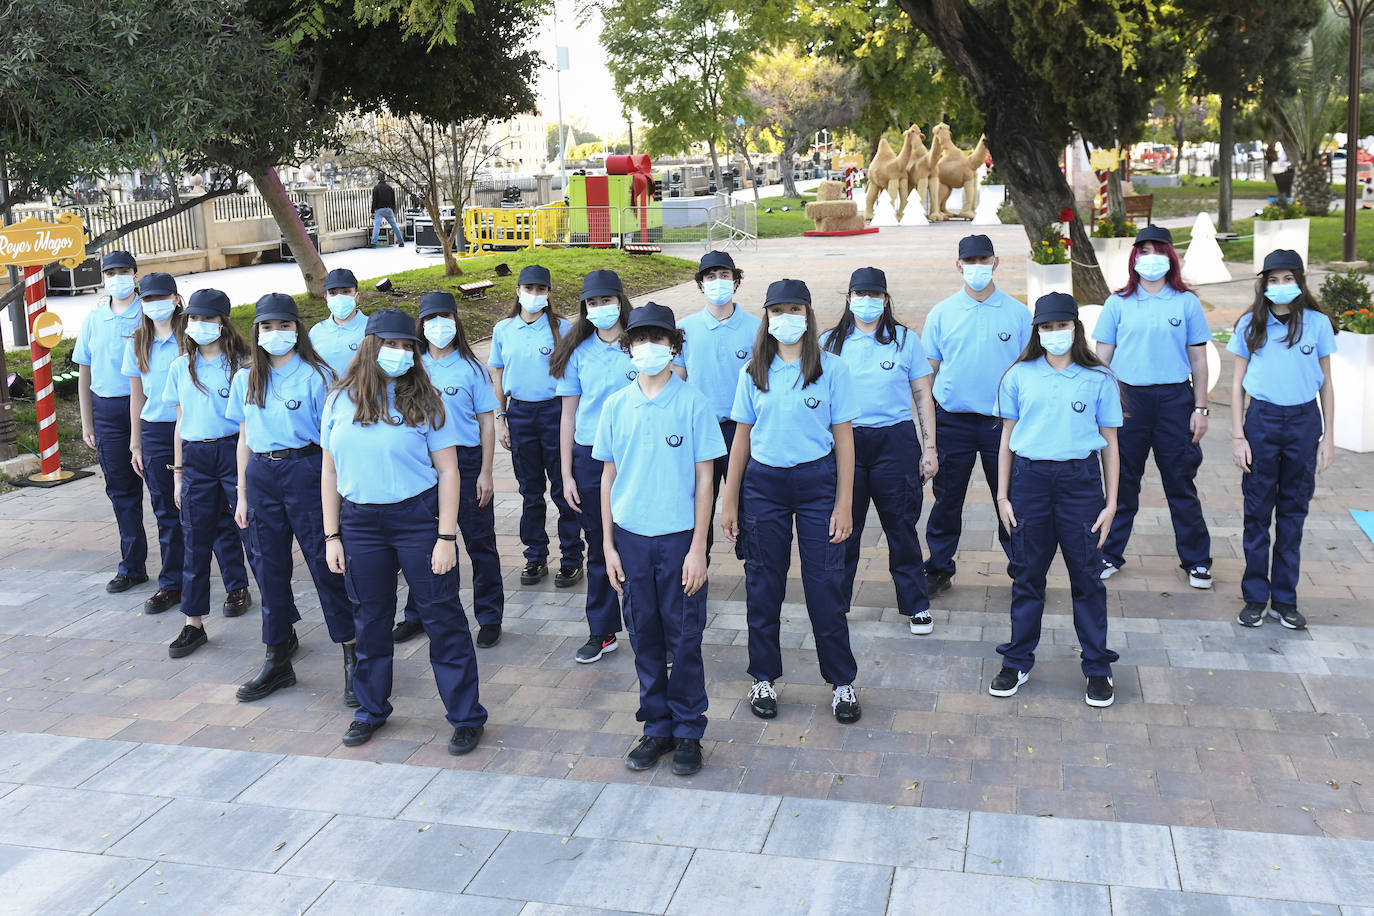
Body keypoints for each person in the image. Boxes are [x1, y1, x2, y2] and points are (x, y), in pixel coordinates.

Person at [321, 308, 486, 754]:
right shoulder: (339, 400)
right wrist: (331, 535)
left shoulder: (427, 402)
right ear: (370, 348)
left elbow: (450, 472)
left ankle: (466, 715)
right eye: (390, 345)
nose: (399, 354)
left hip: (417, 520)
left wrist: (446, 538)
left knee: (442, 618)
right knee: (370, 620)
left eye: (406, 347)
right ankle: (371, 709)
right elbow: (329, 469)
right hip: (360, 524)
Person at [721, 278, 862, 725]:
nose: (787, 319)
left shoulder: (832, 369)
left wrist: (844, 503)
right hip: (764, 487)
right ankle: (763, 675)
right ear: (766, 316)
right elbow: (741, 438)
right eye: (777, 311)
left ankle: (842, 682)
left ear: (808, 314)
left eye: (795, 310)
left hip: (817, 481)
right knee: (764, 586)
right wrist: (730, 502)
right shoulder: (753, 372)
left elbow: (844, 441)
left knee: (825, 586)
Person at [598, 303, 725, 775]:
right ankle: (656, 727)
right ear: (627, 348)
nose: (649, 348)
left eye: (659, 339)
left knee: (685, 636)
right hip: (631, 540)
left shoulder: (693, 403)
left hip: (678, 542)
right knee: (643, 635)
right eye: (639, 340)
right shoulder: (616, 405)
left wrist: (698, 548)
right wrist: (608, 546)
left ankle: (689, 729)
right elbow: (607, 477)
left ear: (674, 346)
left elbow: (705, 479)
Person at [991, 292, 1122, 708]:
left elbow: (1111, 445)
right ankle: (1017, 659)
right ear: (1037, 331)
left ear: (1075, 327)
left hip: (1079, 482)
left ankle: (1097, 666)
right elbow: (1007, 438)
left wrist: (1112, 501)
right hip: (1030, 482)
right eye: (1046, 327)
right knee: (1028, 574)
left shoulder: (1098, 378)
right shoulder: (1018, 376)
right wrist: (1002, 495)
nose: (1054, 334)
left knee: (1086, 577)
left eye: (1061, 326)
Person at [228, 293, 357, 704]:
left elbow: (333, 441)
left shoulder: (317, 376)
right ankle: (278, 654)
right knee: (269, 568)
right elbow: (244, 438)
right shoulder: (245, 378)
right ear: (257, 332)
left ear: (297, 330)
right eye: (267, 326)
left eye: (284, 326)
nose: (275, 333)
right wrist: (242, 494)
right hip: (262, 474)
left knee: (326, 564)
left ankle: (353, 654)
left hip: (306, 471)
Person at [1094, 225, 1213, 588]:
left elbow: (1199, 359)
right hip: (1129, 400)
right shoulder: (1118, 303)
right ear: (1134, 258)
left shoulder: (1185, 302)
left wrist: (1201, 408)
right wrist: (1104, 404)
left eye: (1157, 251)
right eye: (1143, 251)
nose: (1150, 258)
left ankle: (1196, 561)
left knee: (1180, 482)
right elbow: (1102, 358)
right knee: (1122, 482)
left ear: (1170, 257)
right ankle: (1108, 552)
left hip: (1176, 400)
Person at [822, 267, 940, 634]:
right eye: (860, 295)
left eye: (875, 296)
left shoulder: (905, 340)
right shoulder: (830, 342)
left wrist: (929, 448)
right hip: (848, 442)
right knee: (844, 528)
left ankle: (916, 604)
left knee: (901, 526)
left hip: (895, 440)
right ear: (848, 298)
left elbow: (922, 394)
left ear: (886, 300)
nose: (867, 302)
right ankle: (835, 604)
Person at [1229, 249, 1337, 631]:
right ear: (1263, 284)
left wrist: (1328, 436)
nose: (1280, 286)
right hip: (1262, 421)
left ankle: (1285, 600)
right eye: (1272, 280)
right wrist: (1238, 434)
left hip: (1304, 422)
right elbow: (1238, 385)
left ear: (1300, 281)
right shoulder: (1250, 325)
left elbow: (1326, 384)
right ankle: (1256, 598)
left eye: (1287, 279)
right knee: (1257, 513)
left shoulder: (1318, 324)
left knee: (1293, 513)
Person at [391, 292, 504, 649]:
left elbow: (487, 423)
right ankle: (418, 615)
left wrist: (486, 472)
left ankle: (489, 616)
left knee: (479, 543)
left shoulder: (472, 368)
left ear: (457, 322)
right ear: (420, 326)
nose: (439, 326)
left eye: (446, 318)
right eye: (431, 319)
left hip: (466, 463)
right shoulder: (411, 366)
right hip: (425, 466)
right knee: (424, 545)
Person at [921, 234, 1030, 595]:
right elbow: (928, 373)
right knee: (947, 499)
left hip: (1003, 424)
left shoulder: (1017, 314)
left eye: (984, 260)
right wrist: (927, 436)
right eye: (971, 262)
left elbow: (1030, 371)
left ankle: (1022, 568)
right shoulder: (942, 313)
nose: (977, 268)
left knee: (1011, 497)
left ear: (996, 262)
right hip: (954, 420)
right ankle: (938, 567)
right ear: (958, 266)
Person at [124, 273, 239, 617]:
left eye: (161, 297)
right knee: (167, 512)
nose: (153, 304)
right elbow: (136, 394)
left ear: (176, 299)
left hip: (207, 433)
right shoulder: (139, 341)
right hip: (160, 431)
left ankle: (236, 585)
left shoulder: (190, 337)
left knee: (221, 515)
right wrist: (136, 442)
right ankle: (171, 583)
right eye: (147, 298)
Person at [161, 289, 255, 659]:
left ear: (223, 322)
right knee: (196, 540)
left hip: (234, 450)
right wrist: (179, 473)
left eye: (208, 319)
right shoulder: (180, 367)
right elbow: (180, 422)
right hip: (197, 456)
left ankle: (277, 624)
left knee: (253, 535)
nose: (200, 326)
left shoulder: (242, 366)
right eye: (194, 319)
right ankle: (193, 623)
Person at [552, 269, 636, 663]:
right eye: (593, 303)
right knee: (600, 546)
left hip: (639, 457)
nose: (601, 308)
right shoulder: (578, 352)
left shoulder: (642, 342)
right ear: (585, 308)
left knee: (639, 545)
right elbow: (568, 415)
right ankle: (602, 630)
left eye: (607, 300)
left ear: (621, 300)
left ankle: (647, 627)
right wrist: (567, 473)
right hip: (590, 459)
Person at [488, 264, 584, 588]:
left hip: (554, 413)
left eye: (540, 289)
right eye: (528, 289)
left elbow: (574, 377)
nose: (533, 295)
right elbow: (498, 375)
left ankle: (571, 558)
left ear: (548, 293)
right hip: (520, 414)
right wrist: (501, 417)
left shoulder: (562, 328)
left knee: (563, 488)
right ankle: (535, 556)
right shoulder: (503, 329)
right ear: (517, 291)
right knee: (530, 491)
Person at [675, 250, 761, 556]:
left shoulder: (757, 328)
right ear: (700, 284)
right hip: (700, 429)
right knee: (698, 502)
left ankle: (754, 567)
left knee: (748, 503)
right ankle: (696, 567)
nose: (717, 282)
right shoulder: (684, 330)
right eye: (710, 277)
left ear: (735, 281)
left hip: (743, 429)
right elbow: (676, 382)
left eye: (724, 275)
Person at [74, 250, 147, 594]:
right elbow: (84, 370)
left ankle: (180, 571)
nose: (117, 277)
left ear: (135, 274)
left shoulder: (147, 311)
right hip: (108, 412)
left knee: (167, 497)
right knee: (122, 493)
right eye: (110, 272)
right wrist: (87, 422)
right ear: (103, 277)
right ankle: (132, 566)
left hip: (150, 412)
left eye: (123, 271)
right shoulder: (94, 318)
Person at [309, 268, 366, 378]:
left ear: (357, 296)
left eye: (346, 292)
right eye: (333, 293)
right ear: (326, 299)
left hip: (361, 394)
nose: (339, 297)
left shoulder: (372, 328)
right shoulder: (316, 331)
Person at [369, 178, 405, 248]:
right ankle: (401, 242)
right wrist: (393, 210)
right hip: (389, 209)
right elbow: (393, 200)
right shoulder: (390, 188)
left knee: (377, 226)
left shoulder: (376, 188)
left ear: (378, 180)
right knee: (394, 226)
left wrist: (372, 211)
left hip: (379, 209)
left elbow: (374, 200)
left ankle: (373, 243)